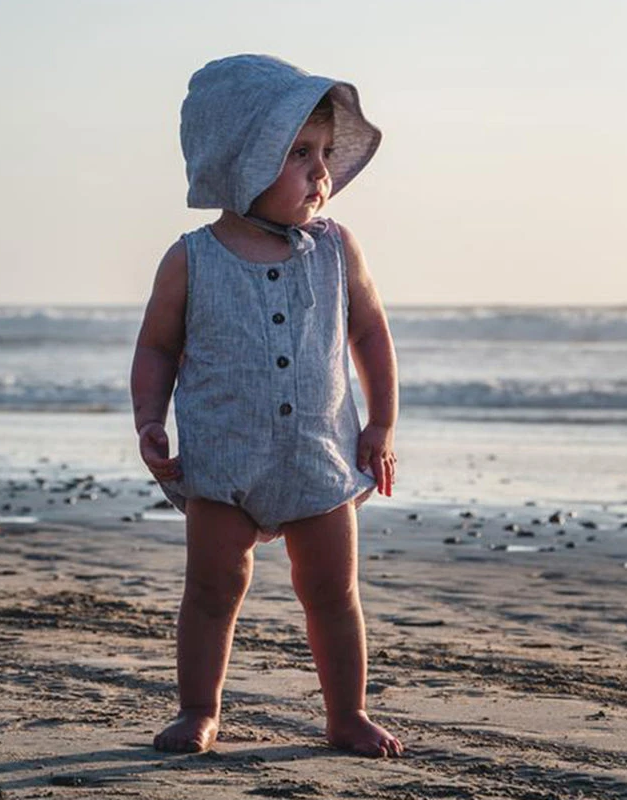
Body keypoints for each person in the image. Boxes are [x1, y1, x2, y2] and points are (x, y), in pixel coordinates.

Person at [130, 54, 402, 758]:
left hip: (320, 459)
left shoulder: (336, 249)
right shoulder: (192, 259)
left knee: (334, 593)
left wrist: (380, 422)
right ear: (241, 161)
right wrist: (150, 420)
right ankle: (198, 709)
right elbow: (157, 348)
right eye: (299, 154)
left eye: (325, 153)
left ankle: (347, 714)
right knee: (213, 589)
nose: (321, 172)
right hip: (225, 459)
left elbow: (370, 333)